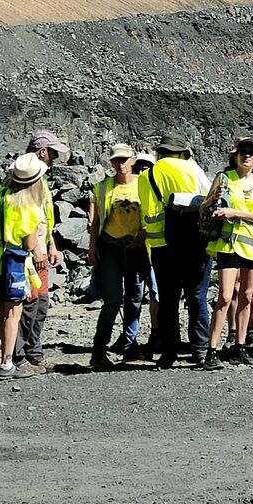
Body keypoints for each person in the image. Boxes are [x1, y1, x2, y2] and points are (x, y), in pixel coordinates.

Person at [137, 132, 214, 369]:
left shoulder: (147, 174)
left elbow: (147, 211)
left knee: (168, 300)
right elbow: (211, 199)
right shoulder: (194, 169)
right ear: (182, 151)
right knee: (197, 296)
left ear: (160, 151)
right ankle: (200, 350)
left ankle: (168, 352)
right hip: (196, 243)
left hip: (162, 246)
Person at [0, 153, 52, 379]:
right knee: (12, 314)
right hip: (13, 268)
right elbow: (29, 243)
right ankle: (8, 363)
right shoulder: (28, 206)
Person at [204, 138, 253, 367]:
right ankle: (211, 350)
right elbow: (205, 206)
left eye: (252, 152)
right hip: (228, 244)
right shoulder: (223, 178)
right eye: (243, 152)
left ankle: (239, 347)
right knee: (224, 296)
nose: (247, 155)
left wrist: (235, 212)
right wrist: (213, 204)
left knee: (246, 296)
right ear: (235, 155)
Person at [86, 141, 146, 368]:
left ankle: (129, 346)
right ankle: (99, 351)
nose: (121, 165)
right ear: (111, 163)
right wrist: (92, 249)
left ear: (133, 161)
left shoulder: (144, 185)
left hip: (136, 246)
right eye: (116, 160)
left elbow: (152, 214)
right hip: (110, 245)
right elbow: (97, 221)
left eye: (124, 160)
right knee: (112, 301)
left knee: (135, 298)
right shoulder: (102, 187)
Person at [13, 129, 68, 369]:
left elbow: (44, 218)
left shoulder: (40, 178)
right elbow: (27, 220)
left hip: (41, 247)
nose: (55, 158)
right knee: (29, 304)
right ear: (43, 151)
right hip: (29, 251)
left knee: (41, 303)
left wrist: (51, 245)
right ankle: (19, 356)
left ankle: (33, 352)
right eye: (53, 153)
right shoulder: (26, 178)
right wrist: (36, 250)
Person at [127, 150, 161, 357]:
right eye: (138, 167)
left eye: (146, 167)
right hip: (136, 250)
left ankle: (158, 333)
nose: (141, 171)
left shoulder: (155, 190)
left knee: (157, 294)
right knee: (135, 295)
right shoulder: (129, 191)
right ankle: (131, 338)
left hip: (155, 249)